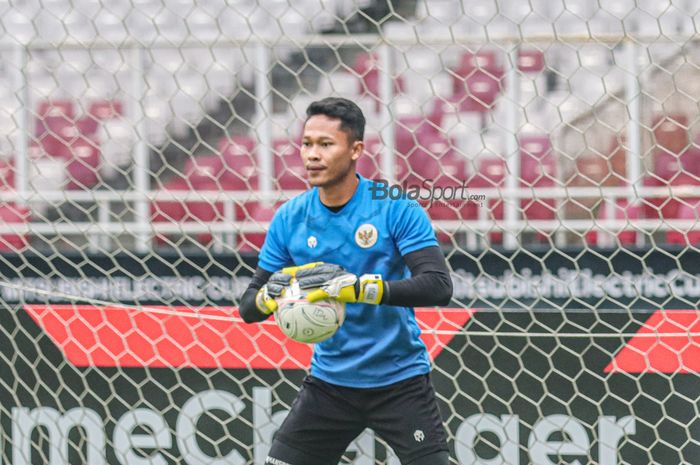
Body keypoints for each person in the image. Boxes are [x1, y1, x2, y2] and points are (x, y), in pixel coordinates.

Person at [239, 97, 454, 465]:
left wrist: (362, 289)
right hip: (329, 384)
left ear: (356, 150)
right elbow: (248, 307)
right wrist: (268, 297)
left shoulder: (395, 207)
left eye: (326, 144)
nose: (312, 155)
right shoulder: (289, 218)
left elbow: (438, 285)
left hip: (400, 381)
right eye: (307, 144)